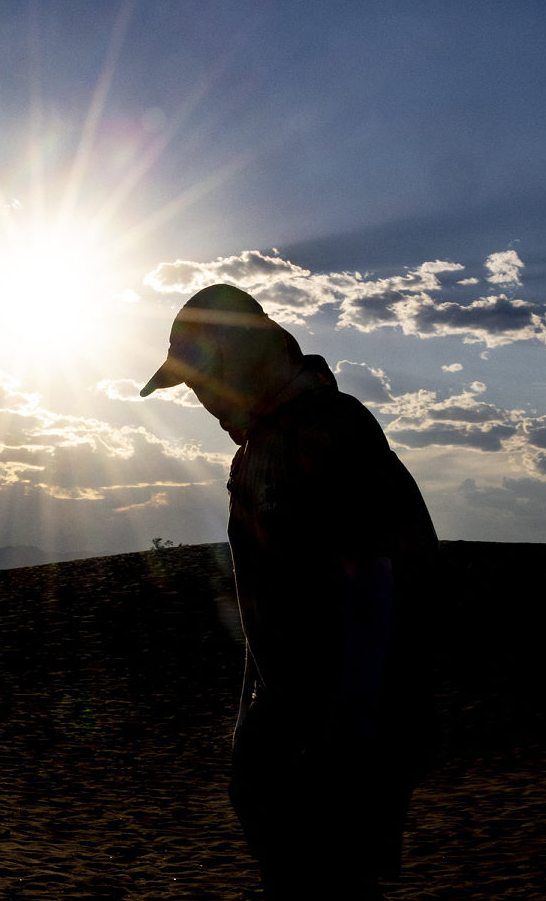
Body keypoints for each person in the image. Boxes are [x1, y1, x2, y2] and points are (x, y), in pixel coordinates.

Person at [140, 283, 437, 900]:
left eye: (204, 380)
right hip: (297, 726)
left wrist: (349, 726)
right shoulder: (258, 448)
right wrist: (256, 720)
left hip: (340, 732)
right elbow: (270, 591)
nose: (200, 400)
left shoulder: (328, 429)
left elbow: (373, 578)